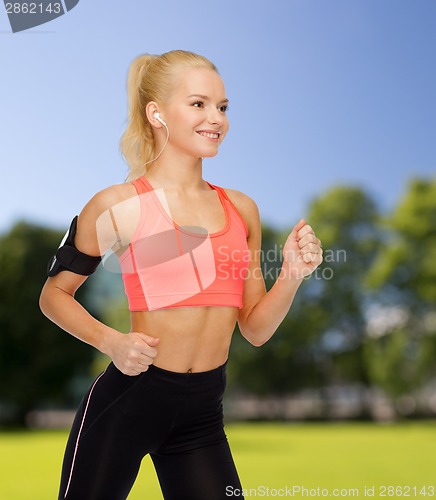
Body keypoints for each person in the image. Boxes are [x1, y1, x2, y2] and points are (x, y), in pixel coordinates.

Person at [39, 49, 323, 500]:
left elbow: (254, 328)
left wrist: (291, 274)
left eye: (223, 107)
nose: (217, 118)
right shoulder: (116, 205)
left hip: (202, 415)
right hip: (127, 403)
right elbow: (54, 295)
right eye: (199, 104)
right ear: (156, 113)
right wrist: (112, 342)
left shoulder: (241, 209)